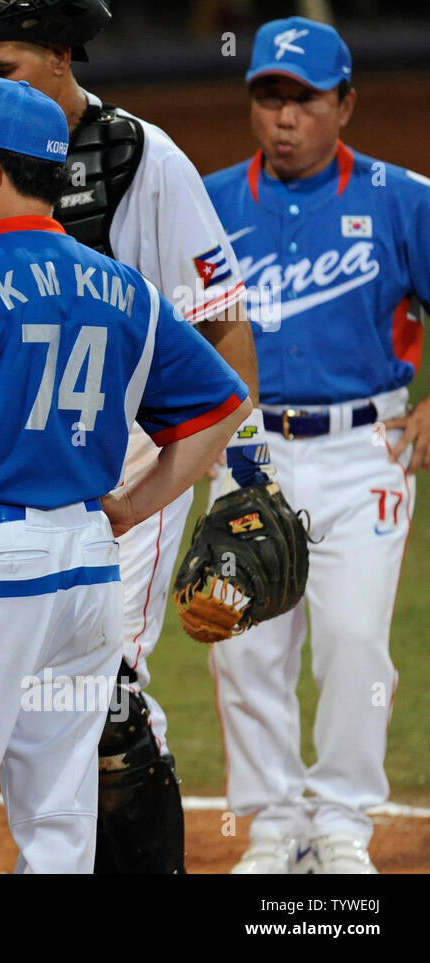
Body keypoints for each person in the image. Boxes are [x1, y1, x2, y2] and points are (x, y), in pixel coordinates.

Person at [0, 0, 266, 873]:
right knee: (63, 698)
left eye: (4, 68)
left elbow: (223, 327)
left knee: (109, 696)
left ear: (62, 57)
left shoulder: (151, 159)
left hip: (123, 456)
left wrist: (227, 475)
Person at [203, 16, 430, 874]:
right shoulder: (213, 201)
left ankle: (339, 821)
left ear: (345, 105)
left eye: (304, 99)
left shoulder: (402, 198)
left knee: (353, 642)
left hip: (363, 450)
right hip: (249, 448)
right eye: (269, 96)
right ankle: (270, 827)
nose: (284, 117)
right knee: (247, 641)